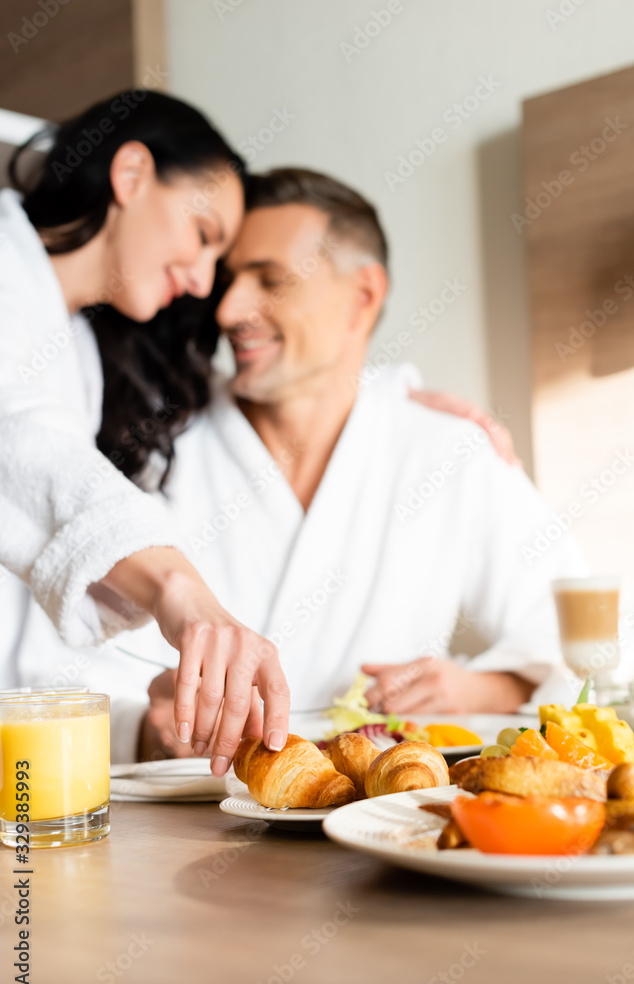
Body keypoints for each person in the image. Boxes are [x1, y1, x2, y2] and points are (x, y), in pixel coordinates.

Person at [107, 166, 585, 760]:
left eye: (270, 280)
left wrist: (481, 686)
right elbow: (56, 668)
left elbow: (580, 631)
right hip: (186, 826)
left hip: (381, 821)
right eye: (229, 280)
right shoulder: (155, 444)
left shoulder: (447, 450)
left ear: (363, 295)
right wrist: (145, 734)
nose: (228, 310)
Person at [0, 91, 291, 774]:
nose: (198, 281)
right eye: (203, 235)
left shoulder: (80, 350)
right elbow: (14, 438)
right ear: (130, 175)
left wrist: (140, 728)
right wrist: (175, 588)